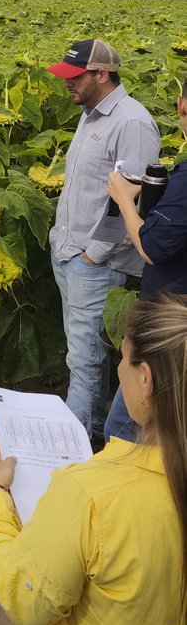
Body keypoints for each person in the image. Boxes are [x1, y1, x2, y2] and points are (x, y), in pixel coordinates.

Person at [0, 292, 187, 625]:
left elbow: (27, 599)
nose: (119, 367)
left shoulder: (93, 495)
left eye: (122, 356)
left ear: (146, 380)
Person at [46, 38, 160, 443]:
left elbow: (129, 201)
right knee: (83, 359)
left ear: (101, 74)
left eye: (74, 78)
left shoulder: (131, 122)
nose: (66, 85)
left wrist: (93, 255)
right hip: (70, 252)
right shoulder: (91, 113)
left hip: (94, 263)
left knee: (85, 364)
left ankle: (69, 453)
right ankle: (91, 440)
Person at [104, 73, 187, 440]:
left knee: (124, 429)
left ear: (182, 107)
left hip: (169, 321)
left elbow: (151, 248)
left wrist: (123, 197)